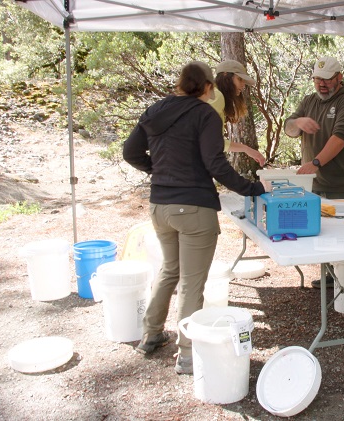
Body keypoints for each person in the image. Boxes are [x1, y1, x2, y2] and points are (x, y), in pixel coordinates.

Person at [123, 61, 266, 374]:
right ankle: (187, 353)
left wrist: (158, 171)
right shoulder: (204, 114)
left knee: (168, 271)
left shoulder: (154, 110)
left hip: (160, 206)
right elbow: (215, 164)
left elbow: (130, 153)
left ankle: (151, 334)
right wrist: (252, 189)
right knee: (191, 283)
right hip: (194, 208)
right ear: (207, 87)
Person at [283, 56, 344, 288]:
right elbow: (288, 128)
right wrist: (298, 122)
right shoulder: (309, 101)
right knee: (324, 233)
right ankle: (332, 277)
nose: (321, 84)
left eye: (327, 80)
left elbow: (340, 138)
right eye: (317, 79)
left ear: (339, 78)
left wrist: (316, 162)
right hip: (316, 184)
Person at [209, 59, 266, 166]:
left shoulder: (211, 93)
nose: (243, 85)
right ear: (225, 75)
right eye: (240, 79)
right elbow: (209, 141)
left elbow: (214, 141)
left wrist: (246, 149)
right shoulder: (217, 96)